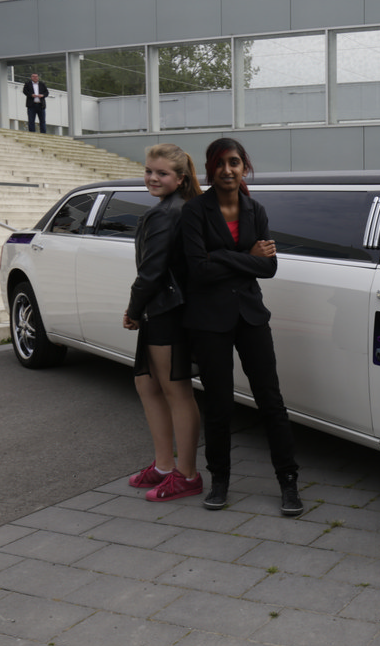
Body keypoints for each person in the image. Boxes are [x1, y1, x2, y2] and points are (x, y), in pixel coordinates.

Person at [181, 137, 302, 515]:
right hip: (209, 320)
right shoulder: (194, 211)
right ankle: (219, 480)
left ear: (244, 167)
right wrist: (246, 256)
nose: (227, 170)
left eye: (234, 162)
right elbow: (197, 271)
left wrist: (221, 256)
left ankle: (288, 481)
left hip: (251, 316)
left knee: (271, 401)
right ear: (210, 169)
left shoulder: (256, 210)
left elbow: (269, 267)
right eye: (219, 163)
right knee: (218, 404)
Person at [124, 144, 204, 502]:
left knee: (177, 392)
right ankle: (163, 466)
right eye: (148, 171)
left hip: (167, 311)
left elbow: (151, 272)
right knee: (147, 384)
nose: (152, 178)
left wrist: (133, 309)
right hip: (164, 309)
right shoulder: (178, 207)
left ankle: (187, 475)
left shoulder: (167, 213)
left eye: (162, 173)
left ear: (181, 178)